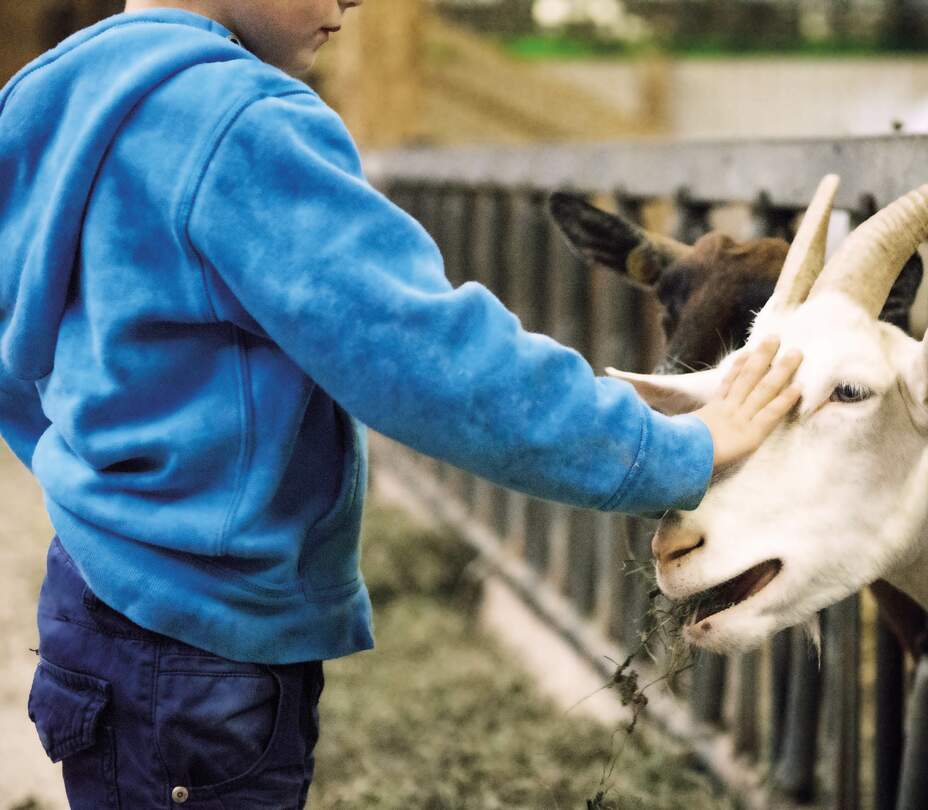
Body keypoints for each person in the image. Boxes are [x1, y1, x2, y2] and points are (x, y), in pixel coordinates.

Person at [0, 1, 803, 806]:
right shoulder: (243, 124)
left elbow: (14, 344)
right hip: (201, 647)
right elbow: (434, 359)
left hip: (94, 606)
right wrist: (671, 448)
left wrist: (96, 485)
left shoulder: (53, 99)